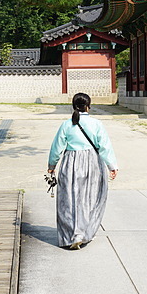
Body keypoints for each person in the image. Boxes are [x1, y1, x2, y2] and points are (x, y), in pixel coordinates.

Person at [47, 92, 118, 250]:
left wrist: (52, 165)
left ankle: (71, 234)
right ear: (88, 106)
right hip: (92, 163)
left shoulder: (67, 124)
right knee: (90, 198)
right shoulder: (96, 124)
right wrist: (112, 166)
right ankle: (84, 233)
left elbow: (57, 147)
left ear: (74, 106)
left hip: (70, 163)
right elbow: (104, 146)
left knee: (69, 199)